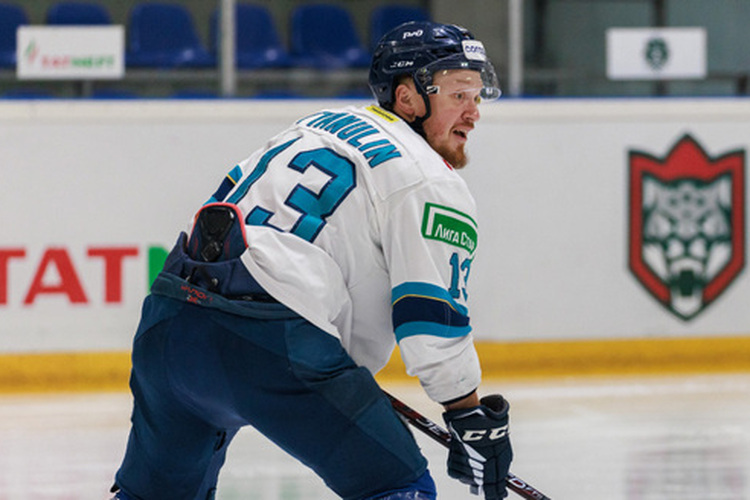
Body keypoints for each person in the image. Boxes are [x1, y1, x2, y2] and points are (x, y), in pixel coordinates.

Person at [111, 20, 513, 500]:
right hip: (270, 341)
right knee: (396, 486)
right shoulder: (429, 179)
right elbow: (431, 321)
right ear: (407, 98)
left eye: (477, 95)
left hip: (169, 325)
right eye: (458, 94)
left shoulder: (317, 125)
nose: (473, 113)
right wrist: (467, 412)